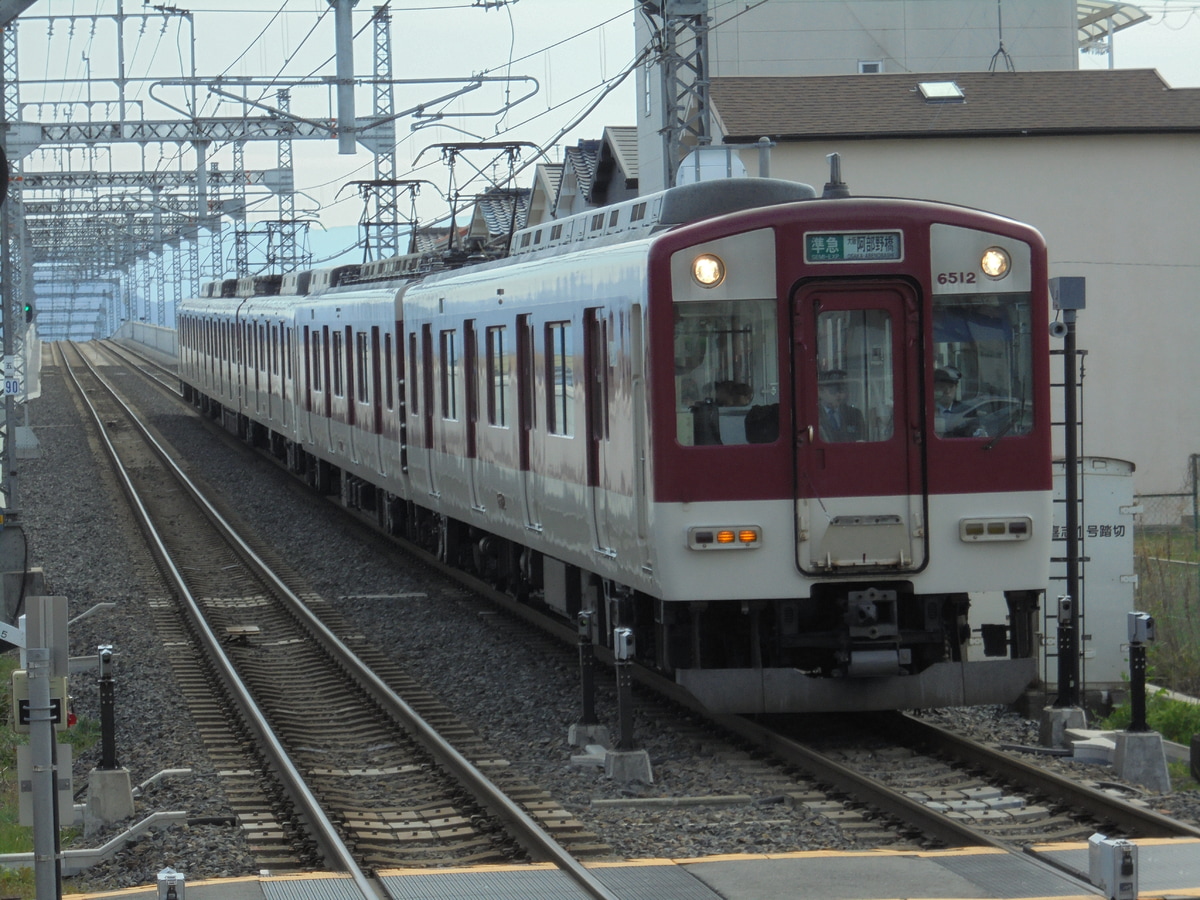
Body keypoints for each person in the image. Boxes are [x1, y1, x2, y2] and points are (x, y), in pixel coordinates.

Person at [817, 369, 867, 442]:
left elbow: (862, 441)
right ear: (820, 392)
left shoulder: (855, 415)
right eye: (833, 390)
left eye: (842, 390)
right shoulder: (813, 416)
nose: (838, 395)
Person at [933, 367, 985, 437]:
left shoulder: (968, 411)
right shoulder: (927, 410)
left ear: (956, 387)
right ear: (935, 388)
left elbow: (976, 433)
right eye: (942, 386)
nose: (947, 391)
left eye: (951, 387)